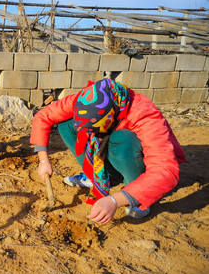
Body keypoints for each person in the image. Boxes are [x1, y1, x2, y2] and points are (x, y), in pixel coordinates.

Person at [30, 78, 186, 224]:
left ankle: (135, 195)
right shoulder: (85, 99)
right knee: (66, 124)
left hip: (133, 157)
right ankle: (99, 175)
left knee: (123, 139)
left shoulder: (143, 114)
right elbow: (43, 116)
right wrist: (43, 160)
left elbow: (165, 170)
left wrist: (114, 200)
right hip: (108, 145)